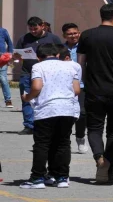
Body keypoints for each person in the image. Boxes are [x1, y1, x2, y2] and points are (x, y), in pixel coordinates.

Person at [77, 4, 113, 184]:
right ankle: (108, 169)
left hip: (94, 90)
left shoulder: (87, 35)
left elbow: (81, 64)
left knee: (94, 128)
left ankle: (99, 159)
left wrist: (86, 84)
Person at [19, 43, 80, 189]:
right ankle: (62, 177)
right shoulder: (71, 66)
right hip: (67, 109)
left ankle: (37, 177)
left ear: (39, 57)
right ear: (57, 55)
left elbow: (37, 87)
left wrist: (27, 97)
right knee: (63, 143)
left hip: (47, 109)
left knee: (42, 144)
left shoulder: (38, 67)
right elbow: (76, 90)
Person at [14, 17, 63, 135]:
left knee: (46, 99)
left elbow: (61, 53)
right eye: (30, 29)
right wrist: (17, 56)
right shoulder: (24, 38)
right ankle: (29, 125)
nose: (33, 31)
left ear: (42, 26)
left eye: (35, 28)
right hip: (27, 73)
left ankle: (47, 125)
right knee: (26, 98)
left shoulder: (53, 38)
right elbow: (16, 54)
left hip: (48, 74)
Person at [62, 23, 87, 154]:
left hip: (82, 85)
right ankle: (64, 140)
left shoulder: (85, 47)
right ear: (64, 36)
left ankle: (80, 137)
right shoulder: (61, 49)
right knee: (66, 114)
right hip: (65, 85)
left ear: (79, 32)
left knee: (82, 113)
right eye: (69, 34)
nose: (73, 36)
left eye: (75, 33)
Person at [0, 26, 14, 108]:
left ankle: (8, 100)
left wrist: (10, 55)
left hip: (2, 57)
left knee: (3, 78)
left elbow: (10, 43)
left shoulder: (3, 31)